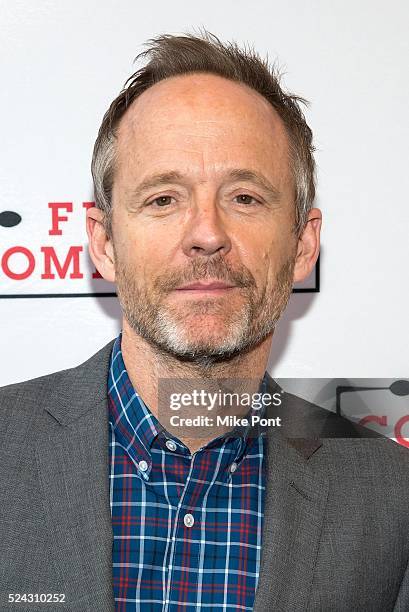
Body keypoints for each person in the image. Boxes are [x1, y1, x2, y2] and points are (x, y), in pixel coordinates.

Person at [1, 31, 408, 612]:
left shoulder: (389, 497)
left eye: (245, 197)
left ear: (302, 244)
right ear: (104, 243)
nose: (207, 234)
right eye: (163, 199)